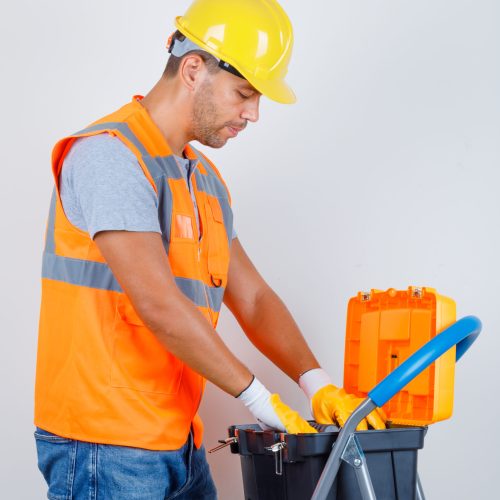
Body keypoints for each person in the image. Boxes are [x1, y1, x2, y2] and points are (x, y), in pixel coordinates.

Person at [34, 0, 386, 498]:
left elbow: (255, 299)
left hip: (176, 441)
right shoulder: (111, 156)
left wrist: (316, 383)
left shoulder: (204, 181)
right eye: (244, 93)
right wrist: (263, 401)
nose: (254, 113)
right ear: (194, 69)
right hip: (104, 447)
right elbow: (158, 304)